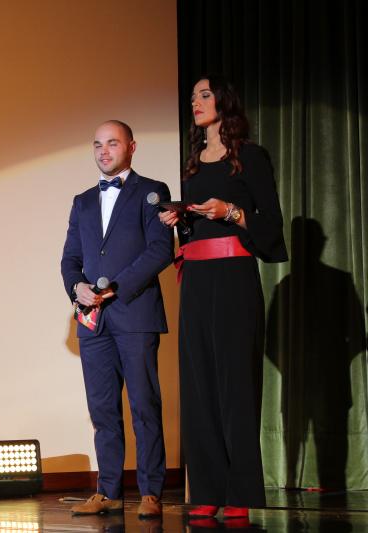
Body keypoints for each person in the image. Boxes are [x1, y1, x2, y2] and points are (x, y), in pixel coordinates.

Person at [159, 75, 287, 522]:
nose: (195, 102)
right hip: (195, 277)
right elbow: (196, 228)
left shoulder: (249, 157)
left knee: (236, 384)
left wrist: (229, 211)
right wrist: (178, 218)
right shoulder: (193, 163)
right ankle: (208, 489)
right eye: (193, 96)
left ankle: (240, 492)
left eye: (205, 95)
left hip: (234, 277)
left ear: (225, 101)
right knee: (199, 386)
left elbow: (271, 226)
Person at [61, 120, 173, 519]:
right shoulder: (83, 200)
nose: (104, 150)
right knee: (103, 409)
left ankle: (151, 492)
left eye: (112, 143)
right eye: (97, 144)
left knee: (144, 404)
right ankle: (107, 490)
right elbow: (70, 258)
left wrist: (117, 288)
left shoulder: (152, 192)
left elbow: (160, 250)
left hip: (135, 314)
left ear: (131, 146)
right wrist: (78, 287)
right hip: (94, 323)